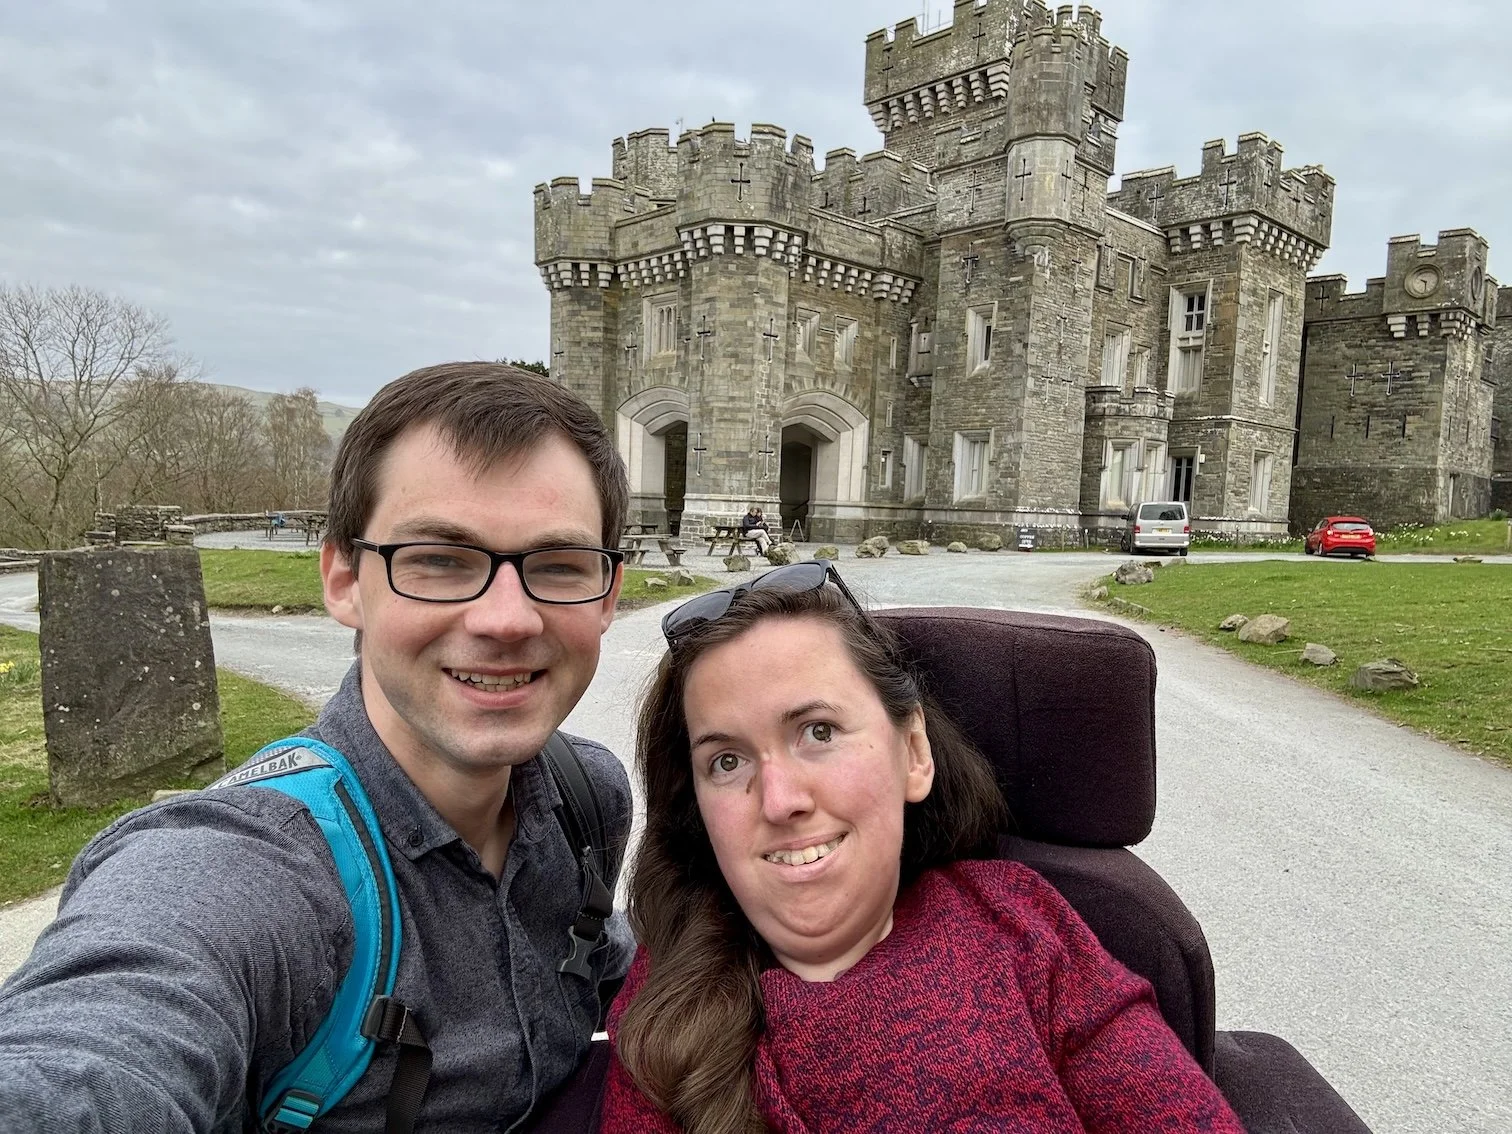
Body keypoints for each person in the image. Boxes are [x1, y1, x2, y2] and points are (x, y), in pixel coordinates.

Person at [0, 362, 635, 1132]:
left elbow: (615, 973)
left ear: (607, 595)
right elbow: (94, 1051)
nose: (508, 619)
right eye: (438, 560)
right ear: (342, 579)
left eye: (558, 566)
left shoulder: (585, 797)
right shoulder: (251, 870)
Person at [600, 563, 1246, 1133]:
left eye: (817, 731)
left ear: (913, 753)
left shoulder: (1021, 926)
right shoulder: (668, 1002)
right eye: (727, 760)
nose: (779, 799)